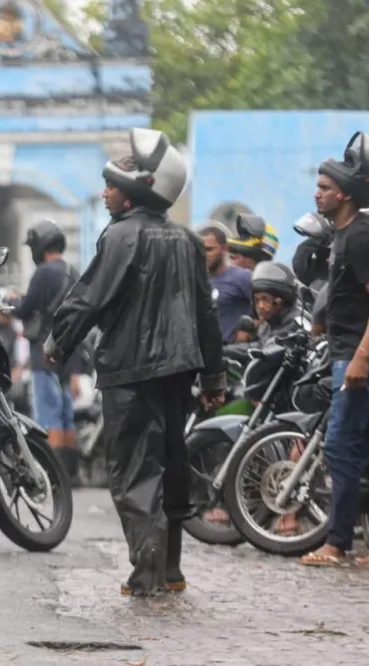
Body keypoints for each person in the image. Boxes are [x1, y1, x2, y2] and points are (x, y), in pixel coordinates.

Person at [44, 128, 226, 597]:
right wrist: (213, 376)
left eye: (112, 186)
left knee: (134, 472)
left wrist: (57, 344)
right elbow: (206, 313)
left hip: (130, 371)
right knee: (169, 466)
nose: (105, 193)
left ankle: (146, 576)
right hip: (180, 370)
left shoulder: (120, 236)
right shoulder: (187, 240)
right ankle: (170, 571)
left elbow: (88, 300)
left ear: (135, 193)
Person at [299, 132, 369, 567]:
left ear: (344, 193)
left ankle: (336, 543)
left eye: (324, 188)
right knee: (364, 449)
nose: (317, 194)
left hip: (357, 357)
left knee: (340, 446)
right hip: (346, 350)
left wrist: (361, 357)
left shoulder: (362, 236)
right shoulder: (343, 235)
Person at [13, 220, 85, 483]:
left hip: (44, 353)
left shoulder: (43, 273)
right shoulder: (73, 271)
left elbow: (25, 309)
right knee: (66, 415)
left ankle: (54, 474)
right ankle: (70, 473)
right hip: (69, 351)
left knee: (47, 415)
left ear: (40, 246)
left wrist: (13, 301)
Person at [199, 221, 254, 342]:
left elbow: (266, 309)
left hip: (234, 355)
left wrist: (249, 329)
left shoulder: (242, 277)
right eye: (199, 250)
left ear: (224, 249)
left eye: (209, 249)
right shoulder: (196, 282)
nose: (203, 255)